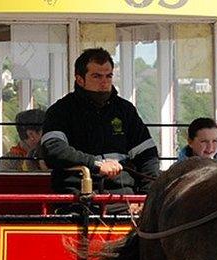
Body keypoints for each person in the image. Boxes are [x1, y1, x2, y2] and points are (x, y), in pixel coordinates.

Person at [39, 48, 159, 204]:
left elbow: (147, 156)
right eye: (97, 76)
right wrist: (97, 165)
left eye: (108, 76)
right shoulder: (61, 111)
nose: (104, 82)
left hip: (124, 200)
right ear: (80, 79)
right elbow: (53, 150)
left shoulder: (125, 110)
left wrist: (146, 199)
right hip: (77, 199)